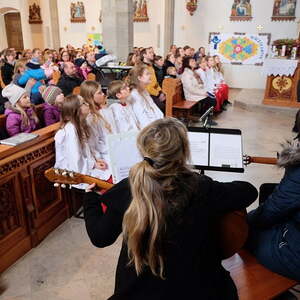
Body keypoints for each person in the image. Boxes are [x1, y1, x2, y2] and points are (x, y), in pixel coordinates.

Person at [83, 117, 258, 300]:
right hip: (198, 289)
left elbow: (100, 237)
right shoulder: (202, 187)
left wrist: (90, 199)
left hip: (137, 292)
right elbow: (249, 191)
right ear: (183, 152)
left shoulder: (128, 189)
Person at [247, 111, 300, 287]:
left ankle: (265, 287)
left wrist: (244, 222)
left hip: (294, 254)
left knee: (243, 234)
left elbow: (272, 211)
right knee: (268, 190)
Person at [54, 94, 107, 190]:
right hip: (78, 173)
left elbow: (88, 148)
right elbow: (76, 162)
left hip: (86, 166)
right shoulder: (71, 130)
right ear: (77, 110)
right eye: (83, 103)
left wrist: (95, 160)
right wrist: (93, 164)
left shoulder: (81, 123)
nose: (87, 104)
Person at [181, 56, 217, 125]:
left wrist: (204, 90)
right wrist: (203, 93)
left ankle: (204, 116)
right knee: (212, 101)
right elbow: (190, 89)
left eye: (194, 61)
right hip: (191, 95)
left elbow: (198, 84)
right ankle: (206, 118)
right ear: (187, 64)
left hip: (197, 93)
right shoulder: (186, 74)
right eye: (192, 61)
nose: (194, 62)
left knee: (212, 98)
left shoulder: (192, 72)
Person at [128, 64, 163, 128]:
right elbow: (142, 120)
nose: (150, 75)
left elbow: (155, 109)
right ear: (139, 78)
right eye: (147, 74)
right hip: (148, 130)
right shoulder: (134, 95)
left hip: (155, 125)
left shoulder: (144, 91)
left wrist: (161, 122)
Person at [140, 48, 166, 113]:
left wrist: (160, 92)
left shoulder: (150, 66)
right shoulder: (142, 67)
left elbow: (155, 82)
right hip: (147, 94)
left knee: (168, 101)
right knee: (162, 106)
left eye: (153, 52)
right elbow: (146, 86)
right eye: (150, 52)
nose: (153, 54)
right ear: (144, 55)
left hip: (154, 92)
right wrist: (157, 94)